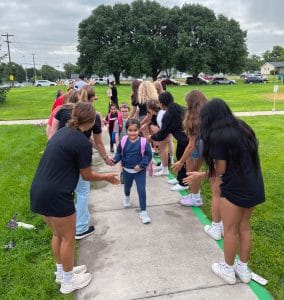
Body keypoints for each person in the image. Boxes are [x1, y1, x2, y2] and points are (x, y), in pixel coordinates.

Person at [30, 103, 119, 294]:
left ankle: (62, 272)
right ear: (90, 121)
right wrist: (107, 176)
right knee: (68, 238)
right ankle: (68, 282)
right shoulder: (81, 142)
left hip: (39, 191)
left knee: (58, 235)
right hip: (58, 196)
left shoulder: (63, 132)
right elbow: (87, 175)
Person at [185, 98, 265, 285]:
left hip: (234, 187)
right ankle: (243, 269)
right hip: (254, 184)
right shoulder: (242, 127)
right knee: (244, 227)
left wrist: (200, 174)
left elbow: (220, 170)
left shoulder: (218, 136)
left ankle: (228, 269)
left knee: (229, 230)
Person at [112, 119, 152, 224]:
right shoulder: (123, 141)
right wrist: (114, 160)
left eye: (135, 130)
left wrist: (141, 165)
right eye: (130, 130)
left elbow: (148, 156)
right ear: (126, 130)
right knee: (127, 187)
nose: (132, 132)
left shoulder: (143, 142)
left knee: (141, 190)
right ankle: (127, 197)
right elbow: (119, 153)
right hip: (126, 170)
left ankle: (143, 212)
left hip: (140, 171)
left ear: (139, 130)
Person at [172, 90, 207, 206]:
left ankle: (196, 199)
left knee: (191, 172)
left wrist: (180, 162)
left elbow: (191, 145)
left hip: (197, 147)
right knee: (192, 171)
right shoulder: (207, 112)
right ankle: (194, 195)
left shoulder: (194, 119)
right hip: (204, 145)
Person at [148, 91, 189, 191]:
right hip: (183, 138)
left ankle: (183, 184)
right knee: (179, 156)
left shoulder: (168, 115)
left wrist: (152, 137)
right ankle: (180, 178)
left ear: (161, 104)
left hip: (186, 139)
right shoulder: (180, 107)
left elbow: (163, 134)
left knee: (182, 160)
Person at [113, 103, 130, 184]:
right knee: (121, 159)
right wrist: (117, 144)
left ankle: (129, 173)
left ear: (129, 111)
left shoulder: (131, 120)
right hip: (122, 143)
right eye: (122, 111)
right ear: (120, 112)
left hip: (130, 142)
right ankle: (122, 174)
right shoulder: (118, 121)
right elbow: (116, 134)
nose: (124, 113)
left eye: (126, 111)